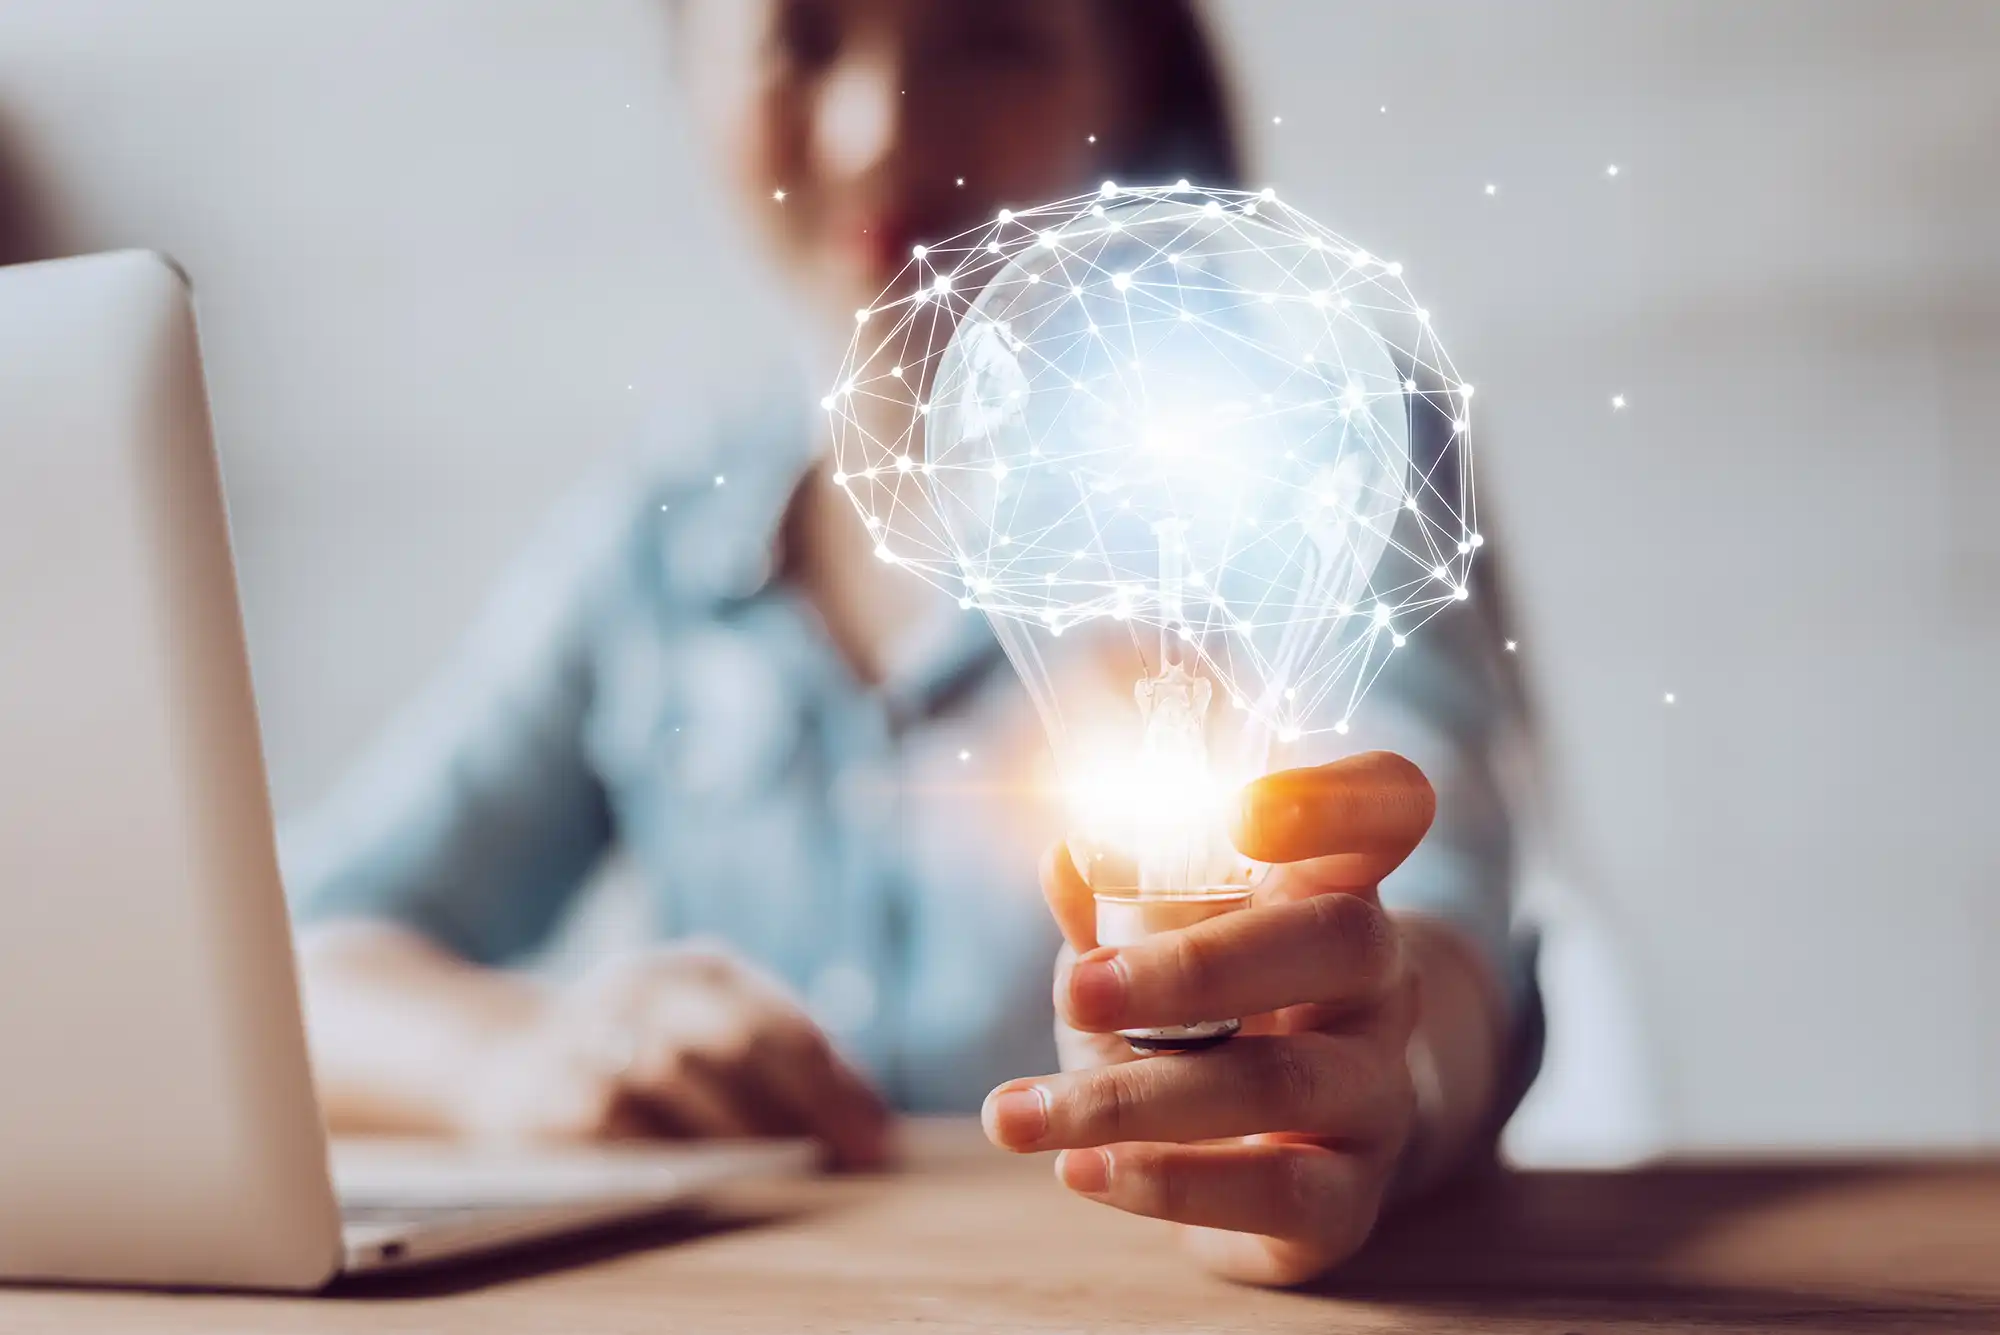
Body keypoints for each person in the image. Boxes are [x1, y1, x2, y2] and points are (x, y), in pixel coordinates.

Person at [286, 0, 1539, 1286]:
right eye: (802, 39)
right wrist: (505, 1056)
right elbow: (294, 960)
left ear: (1132, 67)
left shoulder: (1294, 442)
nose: (876, 132)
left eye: (989, 33)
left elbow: (1433, 930)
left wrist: (1369, 1067)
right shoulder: (657, 543)